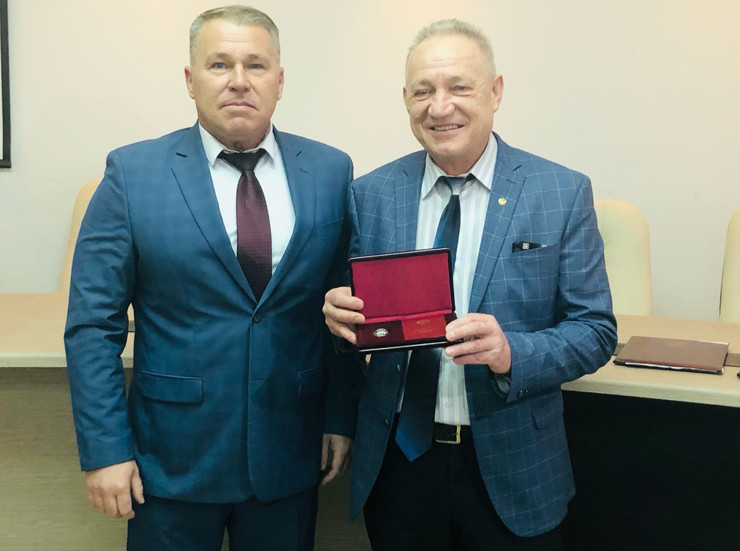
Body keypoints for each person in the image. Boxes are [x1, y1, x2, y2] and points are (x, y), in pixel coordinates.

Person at [64, 5, 362, 551]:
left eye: (256, 65)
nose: (239, 81)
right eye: (219, 64)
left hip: (289, 453)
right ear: (190, 79)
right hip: (169, 461)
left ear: (279, 81)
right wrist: (105, 450)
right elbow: (92, 326)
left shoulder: (330, 171)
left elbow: (343, 309)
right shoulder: (132, 174)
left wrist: (340, 416)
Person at [323, 19, 617, 551]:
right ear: (406, 100)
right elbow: (358, 327)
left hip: (512, 466)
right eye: (423, 91)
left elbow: (595, 331)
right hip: (399, 466)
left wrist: (511, 353)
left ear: (495, 92)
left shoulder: (560, 192)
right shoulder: (371, 193)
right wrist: (339, 320)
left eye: (459, 86)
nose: (440, 107)